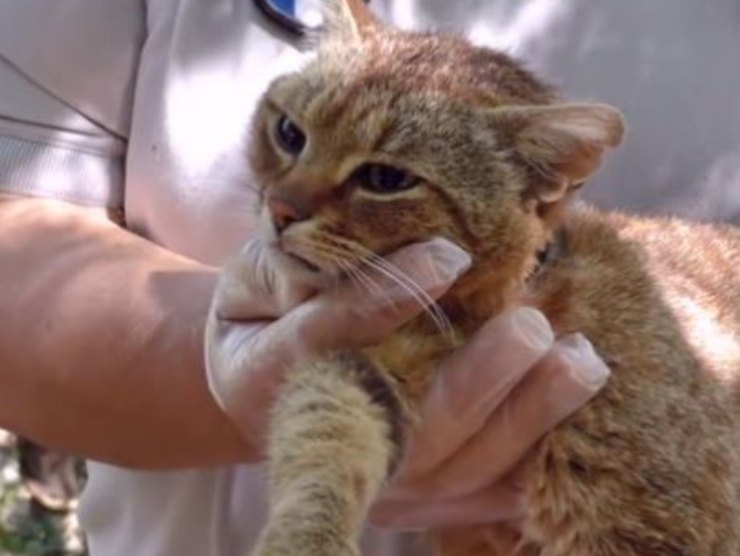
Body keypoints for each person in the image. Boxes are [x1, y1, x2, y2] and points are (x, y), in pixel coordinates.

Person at [0, 1, 737, 555]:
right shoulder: (377, 307)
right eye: (289, 135)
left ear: (539, 189)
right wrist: (225, 365)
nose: (286, 203)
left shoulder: (609, 329)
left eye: (380, 178)